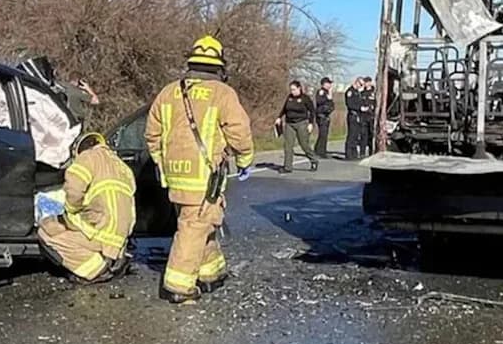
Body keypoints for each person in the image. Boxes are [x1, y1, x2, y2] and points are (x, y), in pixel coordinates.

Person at [145, 35, 255, 303]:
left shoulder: (168, 92)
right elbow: (239, 131)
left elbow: (152, 133)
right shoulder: (222, 93)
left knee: (200, 223)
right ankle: (179, 286)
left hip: (175, 176)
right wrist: (244, 159)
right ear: (219, 67)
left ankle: (211, 274)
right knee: (194, 227)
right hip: (204, 177)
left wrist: (162, 163)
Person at [37, 132, 135, 283]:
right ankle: (115, 259)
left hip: (100, 228)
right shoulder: (123, 167)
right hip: (120, 234)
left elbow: (74, 188)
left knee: (46, 232)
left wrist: (70, 210)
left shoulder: (88, 157)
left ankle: (97, 270)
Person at [275, 80, 318, 173]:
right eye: (291, 90)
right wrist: (279, 117)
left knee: (304, 144)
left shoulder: (305, 98)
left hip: (301, 123)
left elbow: (312, 111)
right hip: (289, 123)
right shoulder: (289, 98)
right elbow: (284, 109)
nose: (292, 91)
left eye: (294, 89)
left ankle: (313, 159)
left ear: (299, 88)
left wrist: (311, 123)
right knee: (288, 145)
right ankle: (287, 167)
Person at [313, 77, 334, 157]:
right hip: (321, 115)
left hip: (326, 115)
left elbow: (331, 104)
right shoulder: (321, 92)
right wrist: (328, 98)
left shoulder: (327, 92)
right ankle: (320, 151)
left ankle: (320, 150)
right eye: (328, 83)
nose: (330, 85)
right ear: (324, 84)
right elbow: (319, 101)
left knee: (324, 134)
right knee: (323, 134)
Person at [344, 76, 364, 160]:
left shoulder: (357, 92)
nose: (361, 86)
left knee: (356, 135)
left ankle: (354, 154)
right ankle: (348, 154)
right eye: (360, 84)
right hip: (352, 115)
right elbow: (350, 104)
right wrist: (360, 108)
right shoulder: (350, 91)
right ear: (356, 82)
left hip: (358, 116)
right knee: (351, 135)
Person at [360, 76, 377, 157]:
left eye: (368, 82)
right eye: (365, 82)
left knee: (371, 135)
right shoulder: (362, 93)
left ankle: (371, 152)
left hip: (371, 116)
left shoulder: (374, 92)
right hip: (363, 117)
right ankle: (362, 152)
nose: (366, 84)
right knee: (363, 135)